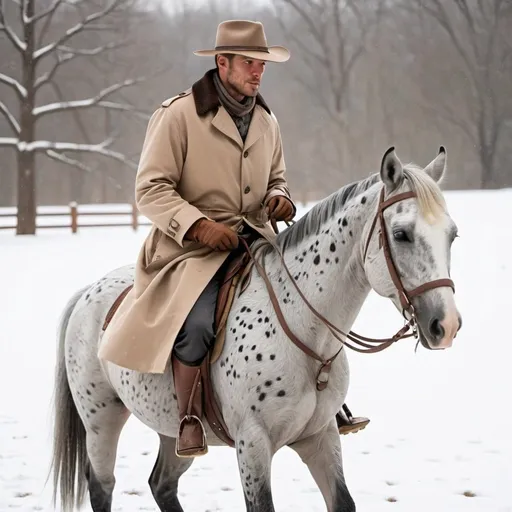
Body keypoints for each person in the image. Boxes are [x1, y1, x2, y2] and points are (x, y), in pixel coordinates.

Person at [99, 20, 369, 458]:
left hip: (256, 240)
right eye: (249, 62)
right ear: (222, 63)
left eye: (262, 63)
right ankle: (188, 417)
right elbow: (150, 190)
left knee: (310, 303)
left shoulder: (265, 119)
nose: (258, 71)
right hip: (189, 251)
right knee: (199, 323)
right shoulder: (177, 115)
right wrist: (199, 225)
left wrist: (279, 198)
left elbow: (276, 177)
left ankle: (324, 405)